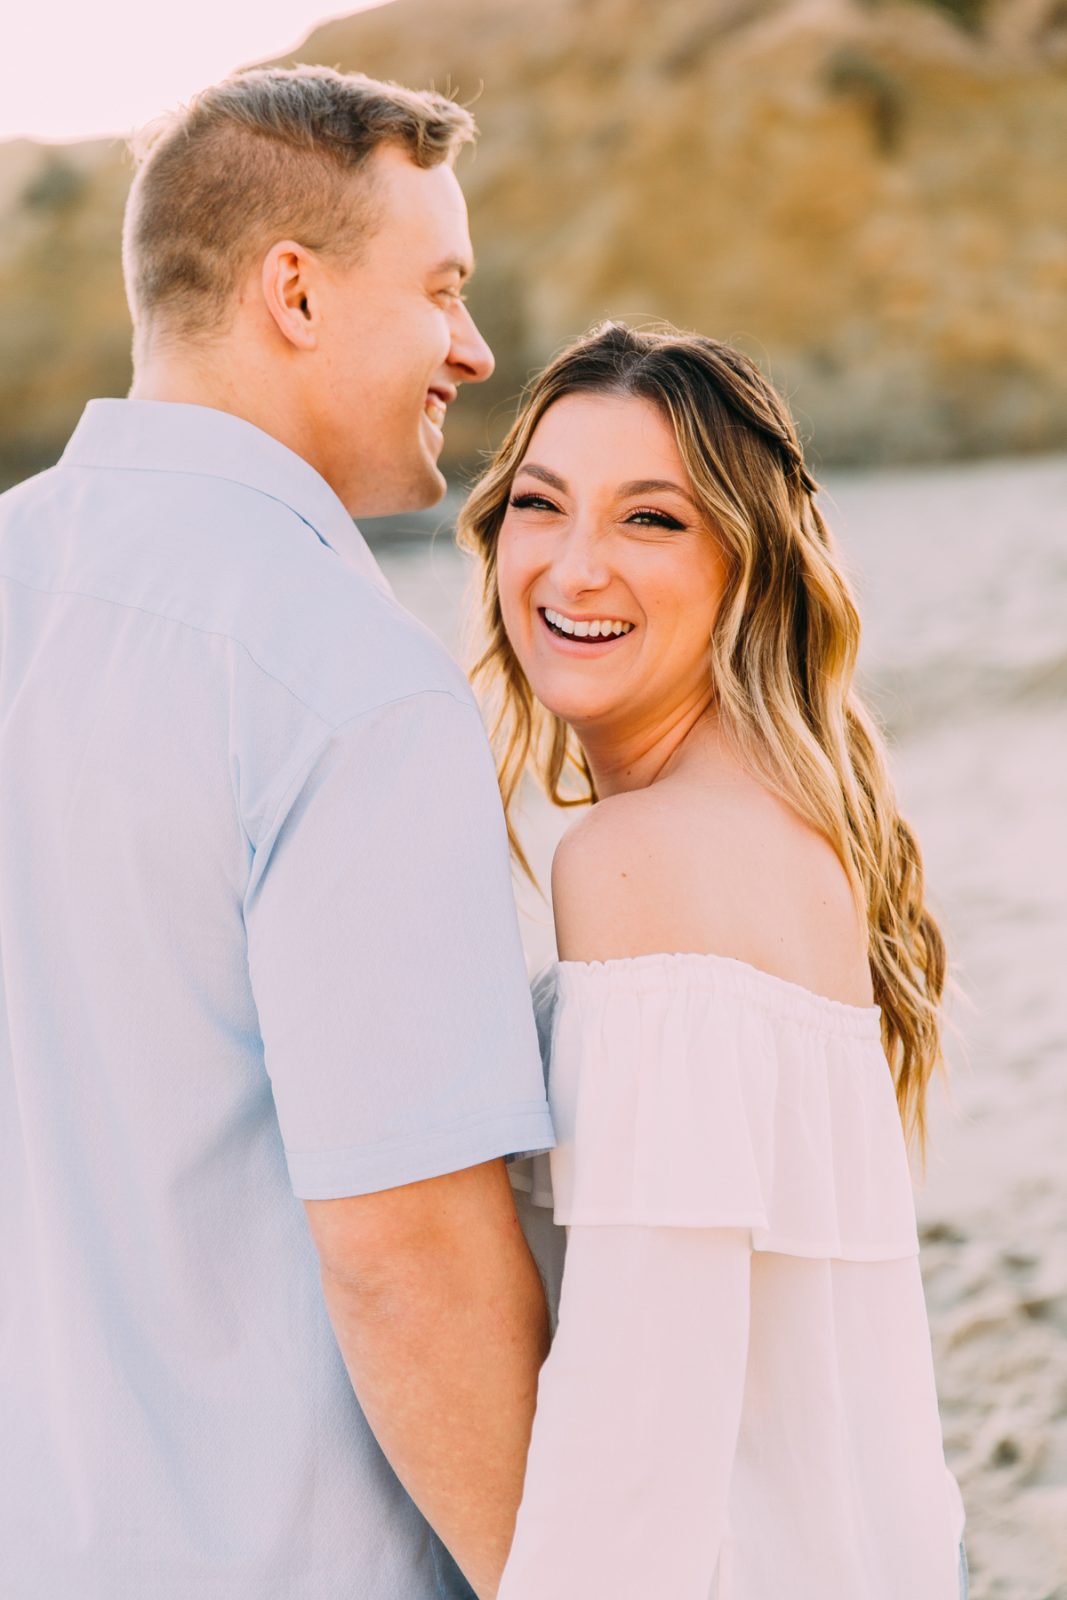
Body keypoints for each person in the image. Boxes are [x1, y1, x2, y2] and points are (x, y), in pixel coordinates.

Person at [0, 67, 555, 1600]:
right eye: (440, 288)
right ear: (292, 293)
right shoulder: (339, 673)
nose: (474, 345)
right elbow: (406, 1258)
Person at [457, 319, 969, 1598]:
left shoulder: (640, 859)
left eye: (651, 520)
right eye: (540, 504)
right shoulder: (811, 833)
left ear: (750, 565)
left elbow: (641, 1417)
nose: (574, 567)